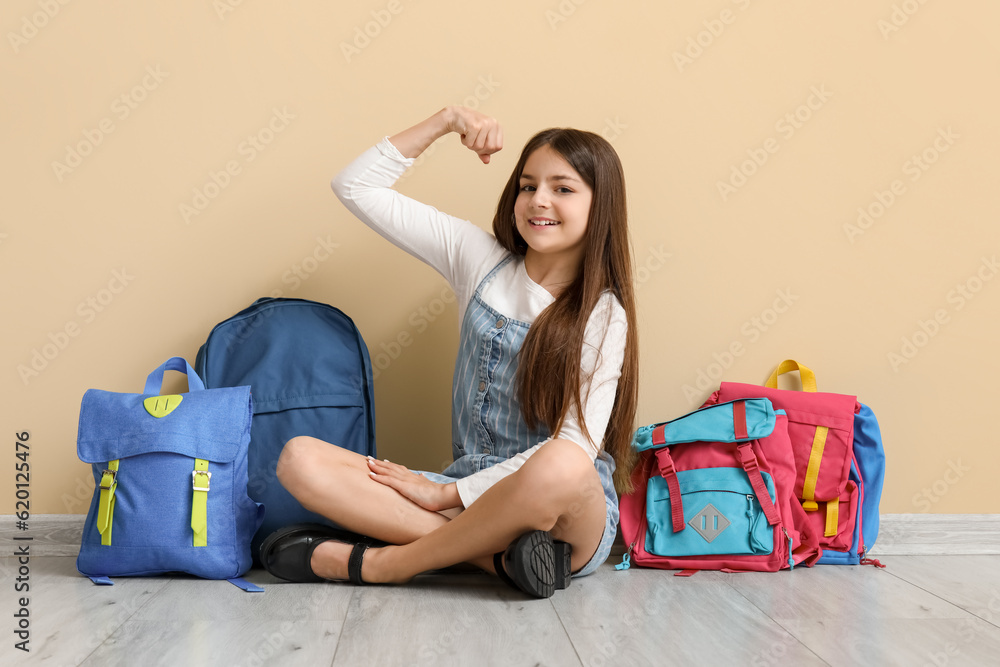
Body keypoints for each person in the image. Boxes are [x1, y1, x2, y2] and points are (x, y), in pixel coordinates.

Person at [258, 106, 639, 598]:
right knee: (299, 459)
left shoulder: (603, 313)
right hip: (467, 495)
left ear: (600, 205)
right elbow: (355, 187)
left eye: (562, 188)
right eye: (527, 185)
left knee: (563, 462)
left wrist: (445, 494)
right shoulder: (478, 258)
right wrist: (444, 122)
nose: (538, 200)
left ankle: (385, 564)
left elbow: (577, 447)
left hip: (565, 519)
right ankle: (503, 562)